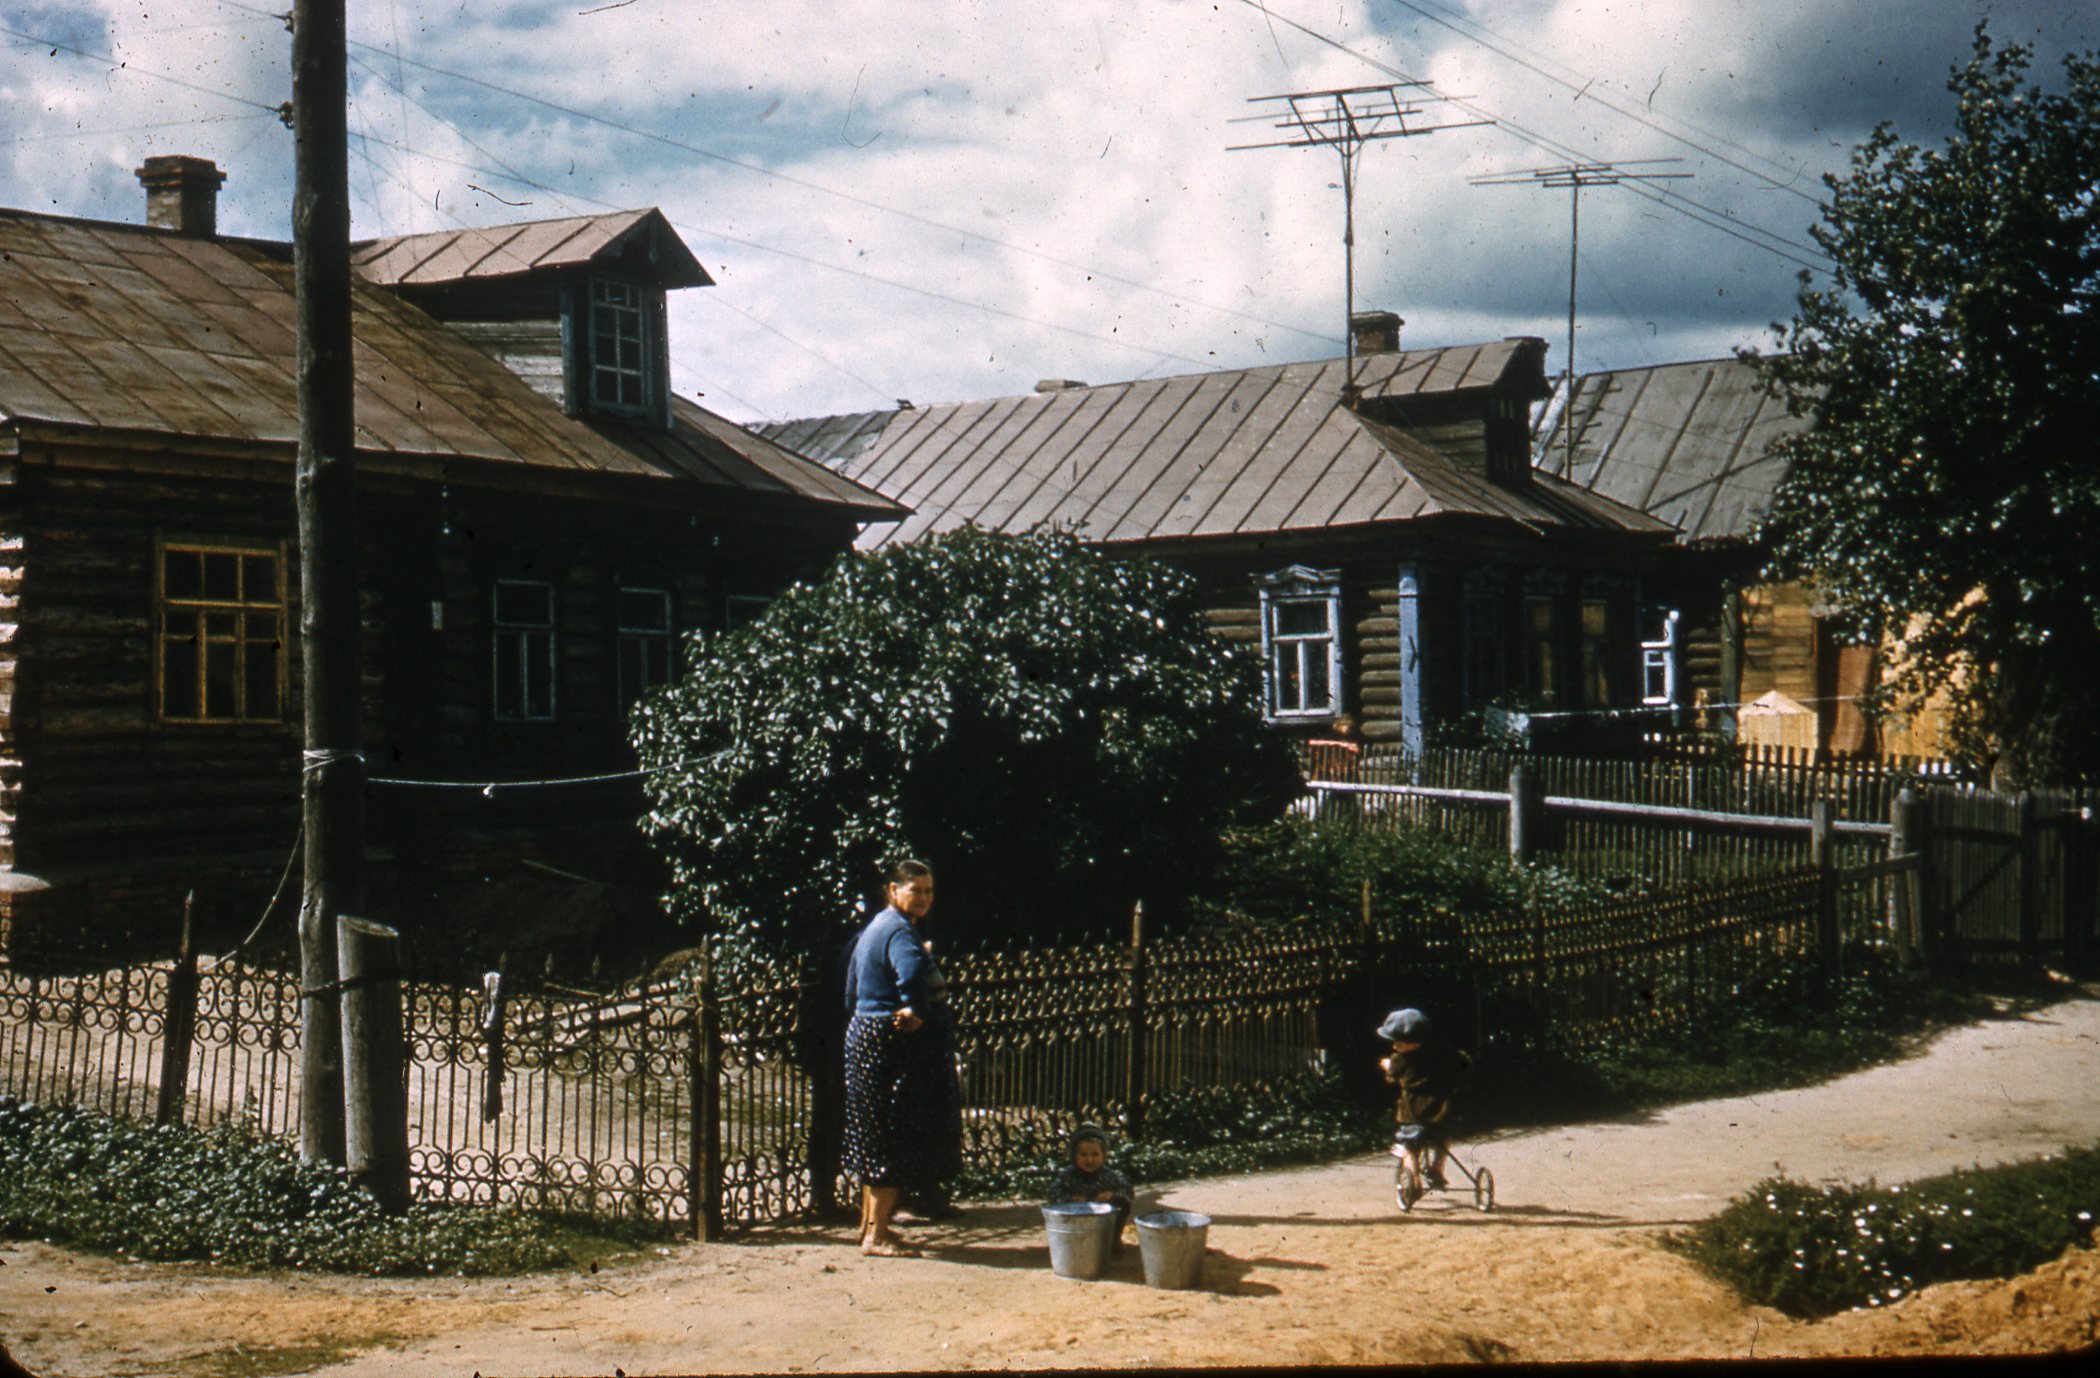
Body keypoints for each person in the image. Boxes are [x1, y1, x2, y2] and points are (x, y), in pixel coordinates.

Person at [841, 858, 963, 1256]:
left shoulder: (876, 927)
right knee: (889, 1136)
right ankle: (877, 1237)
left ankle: (868, 1228)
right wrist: (914, 1010)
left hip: (863, 1033)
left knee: (872, 1133)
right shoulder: (900, 933)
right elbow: (910, 973)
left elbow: (851, 987)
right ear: (893, 891)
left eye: (929, 891)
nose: (925, 898)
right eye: (916, 890)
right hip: (888, 1041)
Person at [1377, 1007, 1472, 1189]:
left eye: (1399, 1042)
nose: (1395, 1045)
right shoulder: (1444, 1053)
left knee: (1410, 1146)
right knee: (1443, 1139)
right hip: (1442, 1111)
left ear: (1413, 1042)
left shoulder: (1400, 1060)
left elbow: (1392, 1078)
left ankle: (1413, 1180)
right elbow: (1464, 1063)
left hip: (1414, 1114)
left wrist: (1387, 1066)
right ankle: (1437, 1168)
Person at [1045, 1122, 1135, 1243]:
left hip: (1104, 1225)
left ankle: (1112, 1241)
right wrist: (1071, 1199)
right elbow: (1053, 1193)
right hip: (1075, 1227)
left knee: (1123, 1203)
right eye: (1083, 1155)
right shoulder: (1068, 1176)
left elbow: (1128, 1190)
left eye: (1095, 1154)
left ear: (1103, 1156)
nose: (1089, 1159)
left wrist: (1112, 1195)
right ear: (1074, 1156)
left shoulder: (1108, 1175)